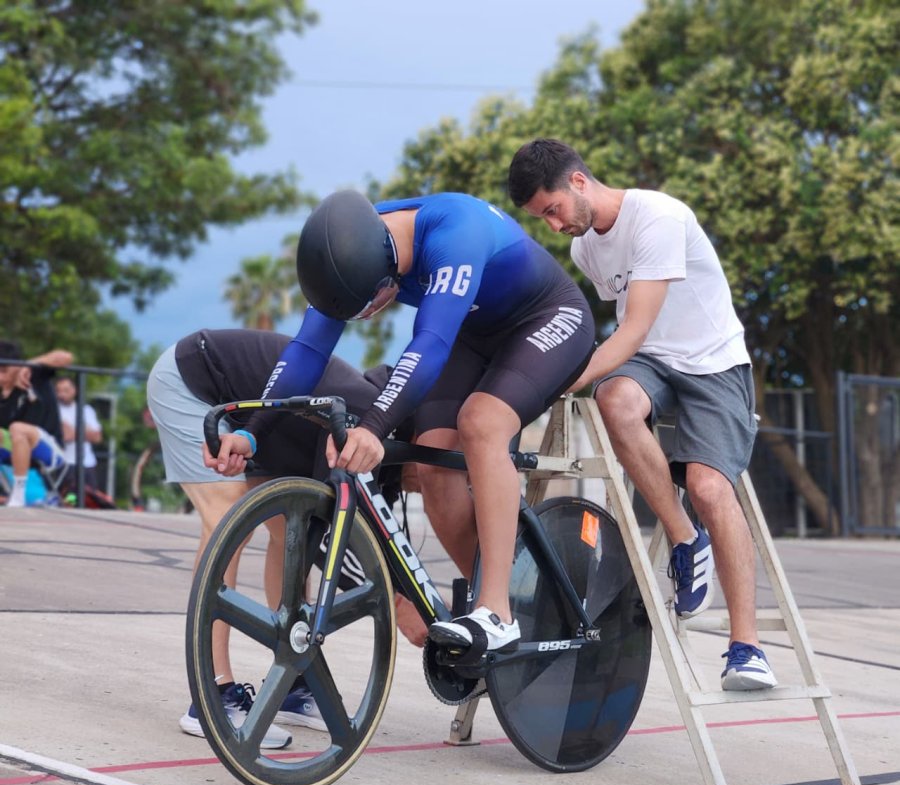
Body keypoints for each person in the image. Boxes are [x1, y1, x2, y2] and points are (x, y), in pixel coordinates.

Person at [209, 190, 595, 658]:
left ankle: (498, 611)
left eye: (365, 308)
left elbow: (428, 343)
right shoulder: (354, 249)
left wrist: (372, 427)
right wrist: (252, 430)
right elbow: (308, 351)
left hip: (548, 317)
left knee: (481, 422)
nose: (366, 317)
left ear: (385, 278)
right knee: (435, 469)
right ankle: (516, 598)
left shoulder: (454, 233)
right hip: (471, 332)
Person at [507, 138, 777, 691]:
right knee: (615, 401)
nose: (553, 227)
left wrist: (558, 382)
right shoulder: (586, 249)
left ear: (578, 182)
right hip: (654, 363)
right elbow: (633, 341)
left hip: (712, 363)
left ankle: (746, 649)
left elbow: (632, 330)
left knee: (706, 486)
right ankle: (684, 540)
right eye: (542, 219)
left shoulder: (658, 216)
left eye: (553, 210)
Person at [147, 328, 426, 749]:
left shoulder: (375, 437)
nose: (434, 488)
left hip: (258, 410)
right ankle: (210, 694)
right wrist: (400, 603)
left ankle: (294, 683)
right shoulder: (360, 422)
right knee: (227, 518)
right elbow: (340, 537)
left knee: (290, 530)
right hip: (195, 382)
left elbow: (322, 534)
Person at [0, 340, 72, 508]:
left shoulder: (34, 374)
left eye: (4, 371)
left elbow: (66, 357)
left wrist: (29, 365)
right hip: (16, 453)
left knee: (17, 428)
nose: (1, 377)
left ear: (16, 366)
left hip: (49, 450)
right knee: (12, 431)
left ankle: (18, 496)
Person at [55, 375, 104, 492]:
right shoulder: (55, 410)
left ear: (74, 390)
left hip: (88, 464)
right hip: (66, 464)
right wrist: (85, 431)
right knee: (68, 500)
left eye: (65, 390)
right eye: (58, 391)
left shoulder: (86, 410)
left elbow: (97, 437)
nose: (62, 394)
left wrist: (73, 431)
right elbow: (66, 436)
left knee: (90, 499)